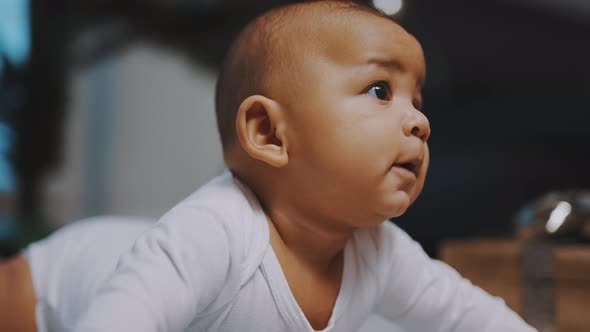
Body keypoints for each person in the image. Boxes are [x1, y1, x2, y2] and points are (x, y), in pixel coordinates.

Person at [1, 1, 537, 331]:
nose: (418, 122)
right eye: (380, 90)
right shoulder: (214, 233)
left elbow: (465, 315)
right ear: (269, 134)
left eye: (416, 101)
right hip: (53, 285)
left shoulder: (380, 251)